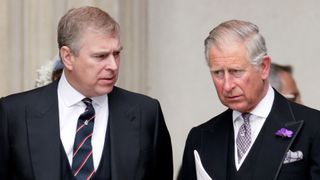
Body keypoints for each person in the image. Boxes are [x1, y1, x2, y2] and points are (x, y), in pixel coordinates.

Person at [0, 6, 173, 180]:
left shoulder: (147, 113)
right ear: (67, 57)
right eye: (100, 56)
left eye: (116, 54)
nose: (113, 65)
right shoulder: (14, 114)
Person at [179, 20, 320, 180]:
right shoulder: (200, 138)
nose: (227, 85)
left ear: (264, 67)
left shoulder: (314, 127)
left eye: (236, 71)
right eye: (218, 72)